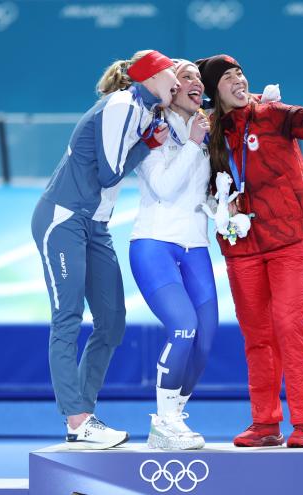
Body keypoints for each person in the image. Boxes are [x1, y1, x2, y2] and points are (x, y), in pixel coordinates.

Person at [196, 54, 303, 448]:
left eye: (241, 73)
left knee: (290, 327)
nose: (239, 80)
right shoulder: (207, 130)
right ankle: (265, 424)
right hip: (242, 246)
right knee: (257, 336)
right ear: (213, 89)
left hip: (287, 240)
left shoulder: (271, 114)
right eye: (228, 77)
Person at [30, 50, 179, 450]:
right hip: (62, 218)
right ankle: (77, 418)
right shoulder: (120, 104)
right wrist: (147, 145)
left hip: (95, 225)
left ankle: (84, 417)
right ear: (149, 76)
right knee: (67, 317)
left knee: (112, 322)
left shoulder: (147, 110)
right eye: (171, 75)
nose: (177, 83)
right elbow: (109, 172)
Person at [128, 59, 216, 450]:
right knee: (183, 327)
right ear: (170, 88)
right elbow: (163, 187)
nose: (196, 82)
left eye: (199, 77)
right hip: (154, 242)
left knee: (205, 340)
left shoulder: (207, 129)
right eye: (186, 76)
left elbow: (204, 191)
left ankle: (175, 416)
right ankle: (162, 423)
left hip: (196, 244)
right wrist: (194, 142)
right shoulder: (151, 127)